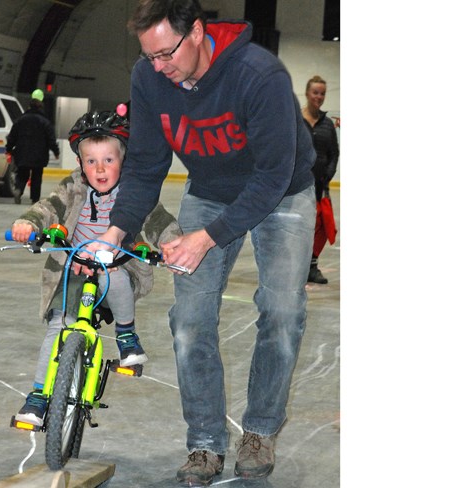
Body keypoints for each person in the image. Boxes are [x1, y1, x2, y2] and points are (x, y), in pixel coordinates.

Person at [88, 1, 317, 485]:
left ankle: (258, 432)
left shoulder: (260, 76)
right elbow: (148, 164)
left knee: (281, 313)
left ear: (197, 32)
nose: (158, 67)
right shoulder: (149, 77)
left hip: (283, 194)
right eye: (149, 57)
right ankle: (205, 443)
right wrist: (114, 233)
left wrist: (206, 239)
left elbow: (273, 175)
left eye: (166, 54)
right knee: (190, 321)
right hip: (209, 192)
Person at [10, 109, 181, 427]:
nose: (100, 169)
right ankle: (38, 396)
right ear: (79, 163)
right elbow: (48, 208)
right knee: (58, 326)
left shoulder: (133, 190)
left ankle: (127, 334)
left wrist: (173, 244)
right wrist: (27, 223)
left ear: (124, 159)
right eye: (91, 161)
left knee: (115, 279)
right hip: (73, 269)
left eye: (109, 160)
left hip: (118, 266)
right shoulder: (73, 188)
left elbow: (158, 220)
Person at [302, 75, 340, 284]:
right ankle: (297, 267)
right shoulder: (297, 120)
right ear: (307, 93)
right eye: (315, 92)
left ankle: (312, 266)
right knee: (300, 227)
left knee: (323, 227)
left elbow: (334, 153)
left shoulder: (327, 125)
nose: (319, 96)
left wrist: (328, 174)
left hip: (320, 186)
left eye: (322, 93)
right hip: (298, 186)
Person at [5, 88, 60, 205]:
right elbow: (51, 138)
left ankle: (19, 190)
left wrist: (9, 148)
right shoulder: (45, 121)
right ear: (41, 106)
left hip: (22, 152)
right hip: (39, 155)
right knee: (36, 176)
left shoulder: (20, 120)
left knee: (22, 173)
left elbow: (12, 136)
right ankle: (34, 199)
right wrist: (56, 151)